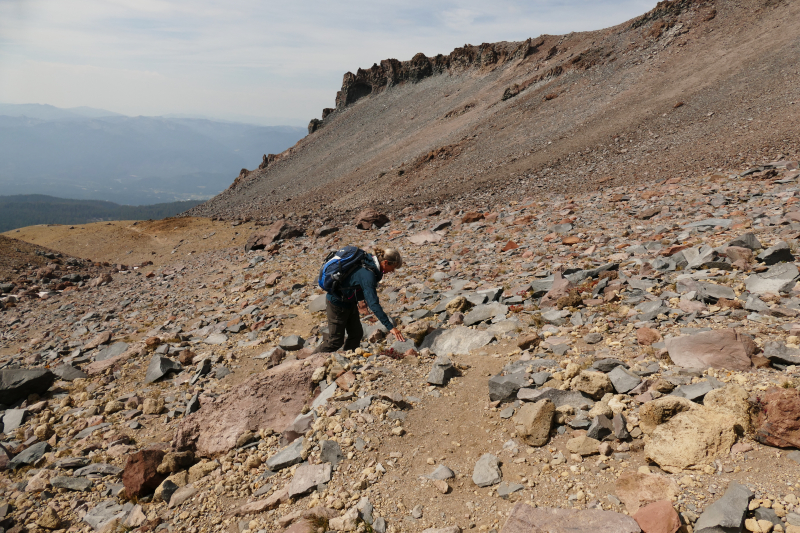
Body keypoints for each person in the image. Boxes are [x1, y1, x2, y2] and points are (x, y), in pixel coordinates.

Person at [316, 246, 405, 353]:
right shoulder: (368, 275)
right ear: (385, 262)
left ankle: (349, 357)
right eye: (393, 268)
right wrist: (390, 327)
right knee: (335, 341)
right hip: (337, 303)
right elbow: (373, 304)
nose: (392, 271)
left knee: (356, 334)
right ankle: (308, 363)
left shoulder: (369, 261)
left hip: (349, 302)